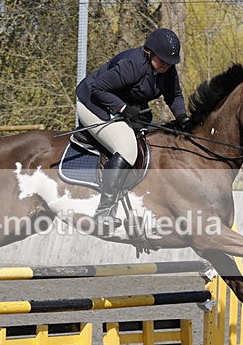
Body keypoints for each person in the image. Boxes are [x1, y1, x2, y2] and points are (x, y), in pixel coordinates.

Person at [75, 28, 189, 232]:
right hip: (93, 103)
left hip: (125, 104)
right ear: (149, 52)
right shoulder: (133, 65)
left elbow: (175, 96)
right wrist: (124, 109)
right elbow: (98, 89)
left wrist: (183, 118)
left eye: (170, 62)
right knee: (127, 149)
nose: (166, 66)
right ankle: (104, 212)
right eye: (162, 60)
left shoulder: (167, 70)